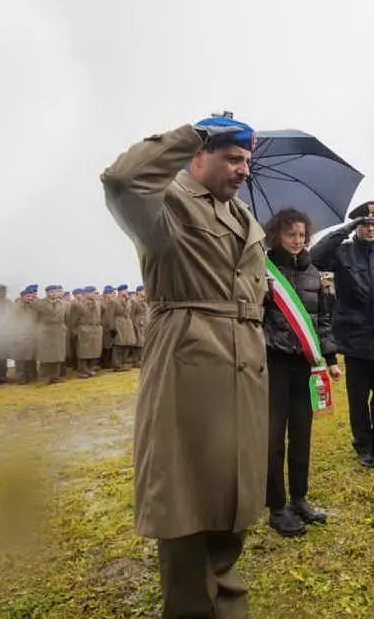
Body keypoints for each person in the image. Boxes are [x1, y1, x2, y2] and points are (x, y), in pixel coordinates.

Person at [102, 113, 269, 618]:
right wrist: (190, 134)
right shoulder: (167, 204)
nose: (243, 170)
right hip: (189, 364)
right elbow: (122, 180)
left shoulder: (243, 217)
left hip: (244, 367)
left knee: (232, 497)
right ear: (200, 157)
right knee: (185, 500)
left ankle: (228, 603)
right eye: (232, 158)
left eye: (247, 161)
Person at [311, 201, 374, 469]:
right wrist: (345, 230)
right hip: (355, 339)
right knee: (358, 397)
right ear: (357, 226)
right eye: (364, 224)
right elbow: (314, 257)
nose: (369, 229)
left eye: (373, 224)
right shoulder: (342, 253)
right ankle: (363, 446)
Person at [261, 209, 341, 538]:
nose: (297, 241)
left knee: (302, 435)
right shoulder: (262, 271)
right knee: (273, 439)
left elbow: (322, 320)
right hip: (273, 364)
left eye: (301, 235)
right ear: (276, 235)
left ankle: (299, 499)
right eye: (290, 234)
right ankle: (276, 507)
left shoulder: (313, 274)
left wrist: (331, 357)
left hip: (304, 366)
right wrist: (260, 293)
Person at [35, 285, 67, 385]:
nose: (54, 294)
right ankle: (44, 377)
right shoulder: (41, 304)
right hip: (46, 331)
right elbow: (36, 318)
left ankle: (55, 376)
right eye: (52, 292)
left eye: (56, 292)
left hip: (58, 330)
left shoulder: (61, 303)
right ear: (47, 293)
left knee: (57, 355)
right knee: (46, 356)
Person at [73, 286, 103, 378]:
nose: (94, 294)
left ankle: (90, 369)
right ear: (86, 293)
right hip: (84, 329)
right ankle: (82, 371)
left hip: (96, 329)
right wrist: (74, 331)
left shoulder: (98, 303)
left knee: (95, 350)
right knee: (84, 351)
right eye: (92, 292)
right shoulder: (78, 304)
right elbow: (73, 319)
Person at [11, 287, 38, 384]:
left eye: (31, 296)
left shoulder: (32, 307)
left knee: (30, 358)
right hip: (19, 336)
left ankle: (30, 377)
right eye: (27, 296)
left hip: (31, 335)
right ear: (22, 297)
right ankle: (21, 378)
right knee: (20, 360)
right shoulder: (17, 307)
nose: (30, 298)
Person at [111, 284, 138, 370]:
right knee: (118, 345)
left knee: (127, 344)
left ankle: (123, 363)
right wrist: (112, 327)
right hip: (119, 323)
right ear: (120, 291)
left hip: (127, 323)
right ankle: (117, 365)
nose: (126, 292)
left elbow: (132, 312)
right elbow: (110, 315)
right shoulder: (114, 301)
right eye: (125, 290)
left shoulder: (129, 301)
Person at [131, 285, 149, 363]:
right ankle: (136, 360)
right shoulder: (134, 301)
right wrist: (134, 323)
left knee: (144, 341)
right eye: (143, 291)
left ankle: (142, 358)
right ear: (138, 292)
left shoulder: (144, 301)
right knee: (138, 341)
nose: (144, 292)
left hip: (145, 322)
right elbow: (132, 314)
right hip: (138, 322)